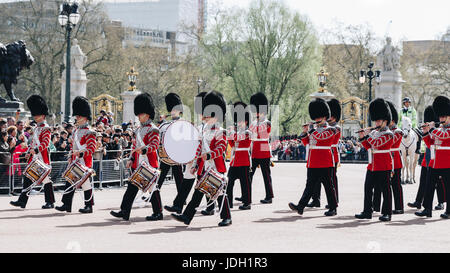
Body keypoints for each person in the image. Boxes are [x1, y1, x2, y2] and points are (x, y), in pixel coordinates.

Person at [171, 90, 232, 227]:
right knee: (198, 193)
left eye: (208, 117)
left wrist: (209, 155)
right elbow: (199, 150)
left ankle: (227, 217)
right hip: (204, 168)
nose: (205, 118)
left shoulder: (220, 131)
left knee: (221, 193)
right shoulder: (204, 131)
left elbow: (221, 148)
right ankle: (187, 216)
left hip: (216, 167)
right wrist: (195, 165)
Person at [110, 92, 159, 221]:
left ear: (147, 114)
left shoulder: (153, 129)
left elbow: (154, 145)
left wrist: (143, 150)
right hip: (138, 163)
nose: (138, 116)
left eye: (141, 114)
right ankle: (124, 211)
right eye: (138, 114)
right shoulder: (137, 130)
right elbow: (133, 146)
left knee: (153, 188)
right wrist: (131, 159)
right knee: (132, 186)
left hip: (149, 162)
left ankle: (158, 212)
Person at [288, 98, 338, 217]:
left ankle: (333, 207)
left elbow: (321, 137)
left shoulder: (331, 129)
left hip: (325, 161)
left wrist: (311, 131)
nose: (316, 120)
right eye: (315, 117)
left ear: (325, 117)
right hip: (313, 161)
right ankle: (300, 207)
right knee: (309, 186)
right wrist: (305, 132)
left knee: (328, 186)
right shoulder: (314, 130)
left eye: (318, 117)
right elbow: (307, 143)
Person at [165, 92, 207, 214]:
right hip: (194, 160)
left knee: (205, 185)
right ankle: (178, 205)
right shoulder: (198, 127)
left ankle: (212, 207)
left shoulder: (211, 129)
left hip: (205, 161)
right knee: (187, 181)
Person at [10, 95, 55, 209]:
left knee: (46, 180)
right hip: (34, 158)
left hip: (42, 158)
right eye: (34, 115)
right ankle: (22, 201)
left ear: (43, 115)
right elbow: (33, 143)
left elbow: (45, 143)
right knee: (27, 179)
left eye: (37, 115)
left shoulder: (46, 128)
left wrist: (34, 150)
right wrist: (29, 151)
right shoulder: (36, 128)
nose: (35, 117)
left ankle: (50, 202)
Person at [145, 93, 184, 221]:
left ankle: (181, 199)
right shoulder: (165, 124)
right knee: (160, 176)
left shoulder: (182, 123)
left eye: (174, 109)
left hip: (177, 155)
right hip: (166, 156)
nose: (172, 112)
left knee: (179, 180)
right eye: (171, 109)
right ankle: (153, 195)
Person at [55, 96, 97, 214]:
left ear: (85, 117)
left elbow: (91, 148)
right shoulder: (75, 131)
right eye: (77, 116)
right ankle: (66, 204)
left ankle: (89, 206)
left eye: (79, 116)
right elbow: (74, 147)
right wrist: (71, 155)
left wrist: (80, 153)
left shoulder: (90, 131)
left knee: (86, 184)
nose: (77, 118)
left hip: (85, 161)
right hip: (75, 161)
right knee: (70, 181)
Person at [355, 98, 394, 222]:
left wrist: (367, 135)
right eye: (375, 120)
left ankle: (387, 213)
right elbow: (369, 147)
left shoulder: (389, 134)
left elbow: (377, 144)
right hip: (372, 165)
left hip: (384, 165)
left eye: (378, 120)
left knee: (386, 190)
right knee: (367, 189)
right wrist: (362, 138)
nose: (376, 123)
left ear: (385, 120)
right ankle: (367, 211)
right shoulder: (375, 132)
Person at [415, 96, 450, 219]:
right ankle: (427, 209)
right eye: (440, 116)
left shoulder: (446, 129)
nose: (441, 119)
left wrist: (432, 129)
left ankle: (449, 211)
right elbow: (431, 143)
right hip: (435, 162)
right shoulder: (438, 128)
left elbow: (444, 136)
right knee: (429, 186)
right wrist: (425, 132)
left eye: (443, 116)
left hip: (447, 162)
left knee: (448, 188)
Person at [407, 106, 445, 210]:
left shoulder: (440, 129)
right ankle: (419, 201)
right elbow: (428, 143)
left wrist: (432, 129)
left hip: (438, 157)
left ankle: (441, 202)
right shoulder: (430, 128)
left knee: (438, 181)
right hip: (428, 156)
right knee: (423, 180)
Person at [307, 98, 341, 208]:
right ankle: (315, 199)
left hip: (331, 154)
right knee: (316, 181)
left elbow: (324, 138)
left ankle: (334, 200)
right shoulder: (321, 126)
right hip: (319, 155)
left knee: (331, 181)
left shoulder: (335, 127)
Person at [373, 101, 405, 214]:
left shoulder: (397, 132)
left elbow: (390, 144)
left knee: (396, 185)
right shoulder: (382, 131)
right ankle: (375, 207)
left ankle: (399, 207)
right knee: (378, 185)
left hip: (394, 160)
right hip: (383, 159)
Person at [249, 92, 274, 204]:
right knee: (249, 174)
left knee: (266, 175)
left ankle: (269, 196)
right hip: (255, 149)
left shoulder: (267, 122)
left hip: (263, 148)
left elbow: (260, 132)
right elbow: (251, 133)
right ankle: (246, 195)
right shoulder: (254, 122)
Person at [226, 102, 252, 210]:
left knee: (245, 184)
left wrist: (232, 133)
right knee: (229, 182)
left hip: (244, 160)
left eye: (240, 120)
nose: (238, 122)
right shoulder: (237, 132)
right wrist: (230, 134)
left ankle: (247, 203)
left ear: (245, 121)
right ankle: (228, 203)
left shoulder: (248, 132)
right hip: (235, 160)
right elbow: (232, 144)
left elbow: (241, 139)